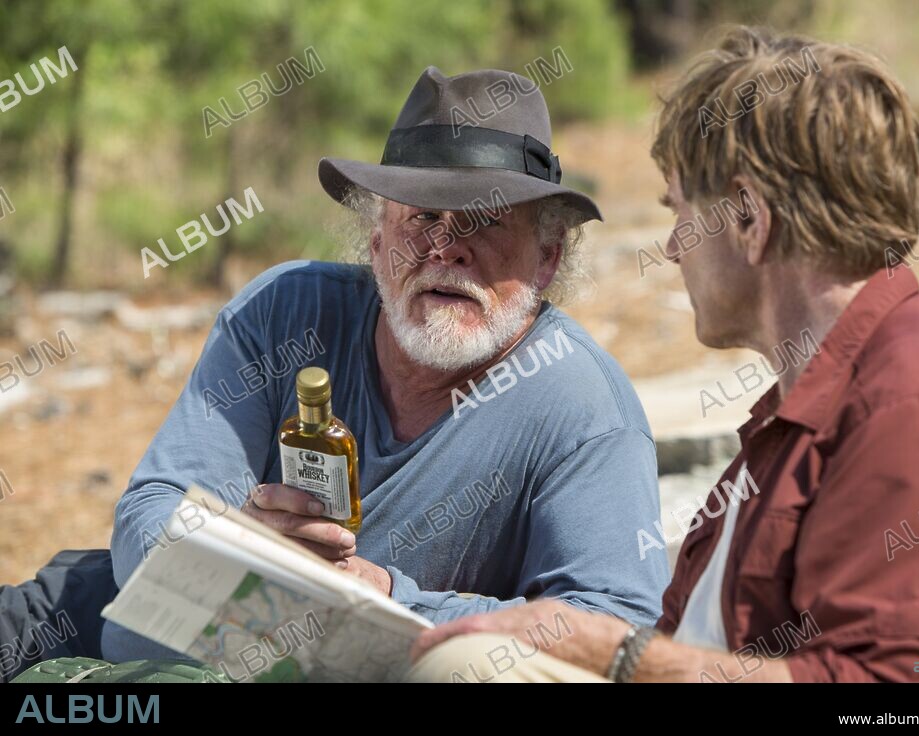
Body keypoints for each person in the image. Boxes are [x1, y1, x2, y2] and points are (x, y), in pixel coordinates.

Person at [404, 26, 919, 684]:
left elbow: (905, 697)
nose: (672, 247)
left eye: (681, 212)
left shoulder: (914, 398)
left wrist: (620, 655)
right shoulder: (811, 407)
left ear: (750, 220)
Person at [100, 65, 669, 662]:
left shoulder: (583, 408)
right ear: (376, 239)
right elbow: (152, 506)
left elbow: (614, 630)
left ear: (547, 258)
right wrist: (241, 547)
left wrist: (390, 596)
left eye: (487, 220)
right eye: (424, 217)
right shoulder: (284, 312)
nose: (447, 248)